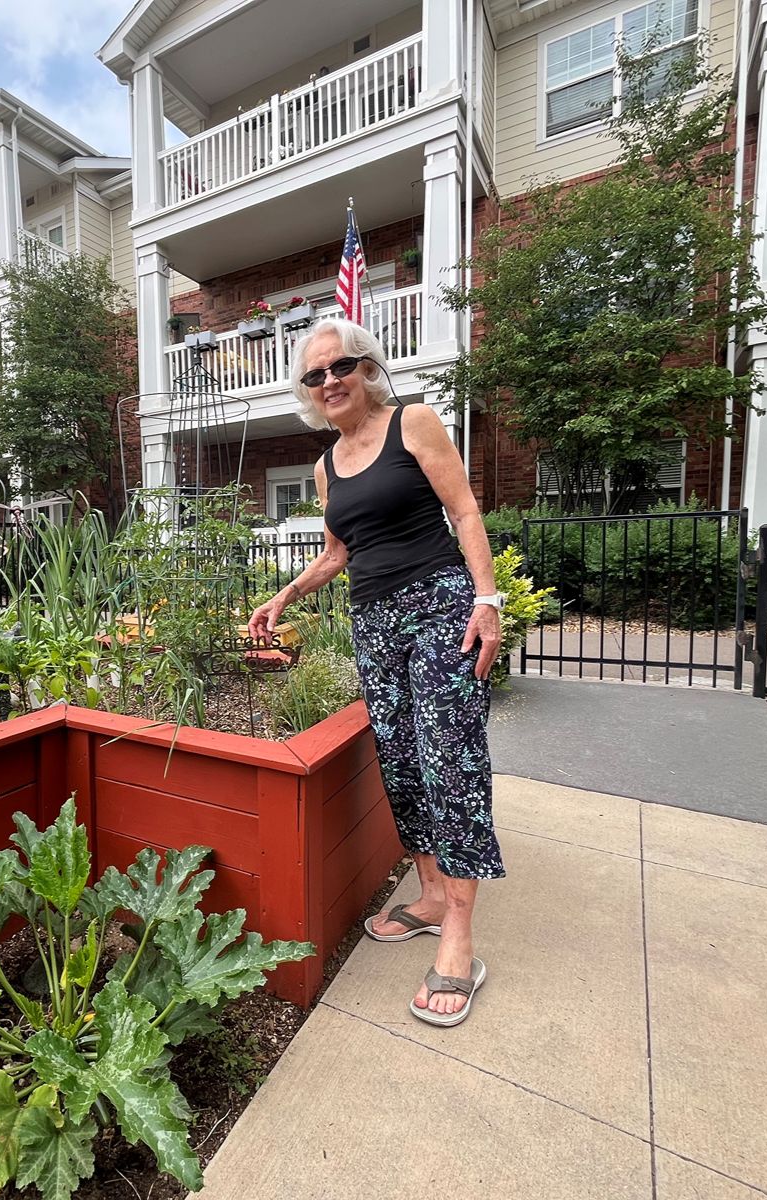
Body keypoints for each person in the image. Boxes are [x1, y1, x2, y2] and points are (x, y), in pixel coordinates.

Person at [248, 319, 505, 1028]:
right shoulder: (329, 465)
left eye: (341, 367)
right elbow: (339, 552)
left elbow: (464, 509)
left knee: (448, 759)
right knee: (401, 761)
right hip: (375, 619)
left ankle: (458, 937)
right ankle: (428, 895)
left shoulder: (413, 423)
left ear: (367, 369)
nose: (329, 380)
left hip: (440, 605)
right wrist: (284, 595)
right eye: (315, 375)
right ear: (307, 392)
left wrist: (487, 601)